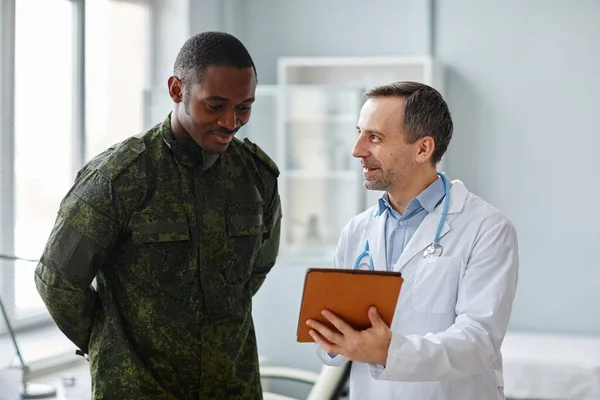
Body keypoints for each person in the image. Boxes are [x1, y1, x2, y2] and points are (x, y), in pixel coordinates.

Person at [34, 31, 281, 399]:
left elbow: (257, 268)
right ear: (177, 90)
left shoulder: (256, 175)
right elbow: (57, 281)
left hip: (233, 386)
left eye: (244, 106)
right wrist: (109, 343)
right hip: (137, 388)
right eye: (215, 105)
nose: (231, 121)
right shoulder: (120, 178)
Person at [306, 81, 518, 400]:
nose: (357, 150)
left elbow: (479, 341)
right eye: (359, 132)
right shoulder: (357, 230)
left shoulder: (487, 228)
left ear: (423, 149)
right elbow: (331, 347)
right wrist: (333, 339)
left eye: (374, 137)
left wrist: (389, 351)